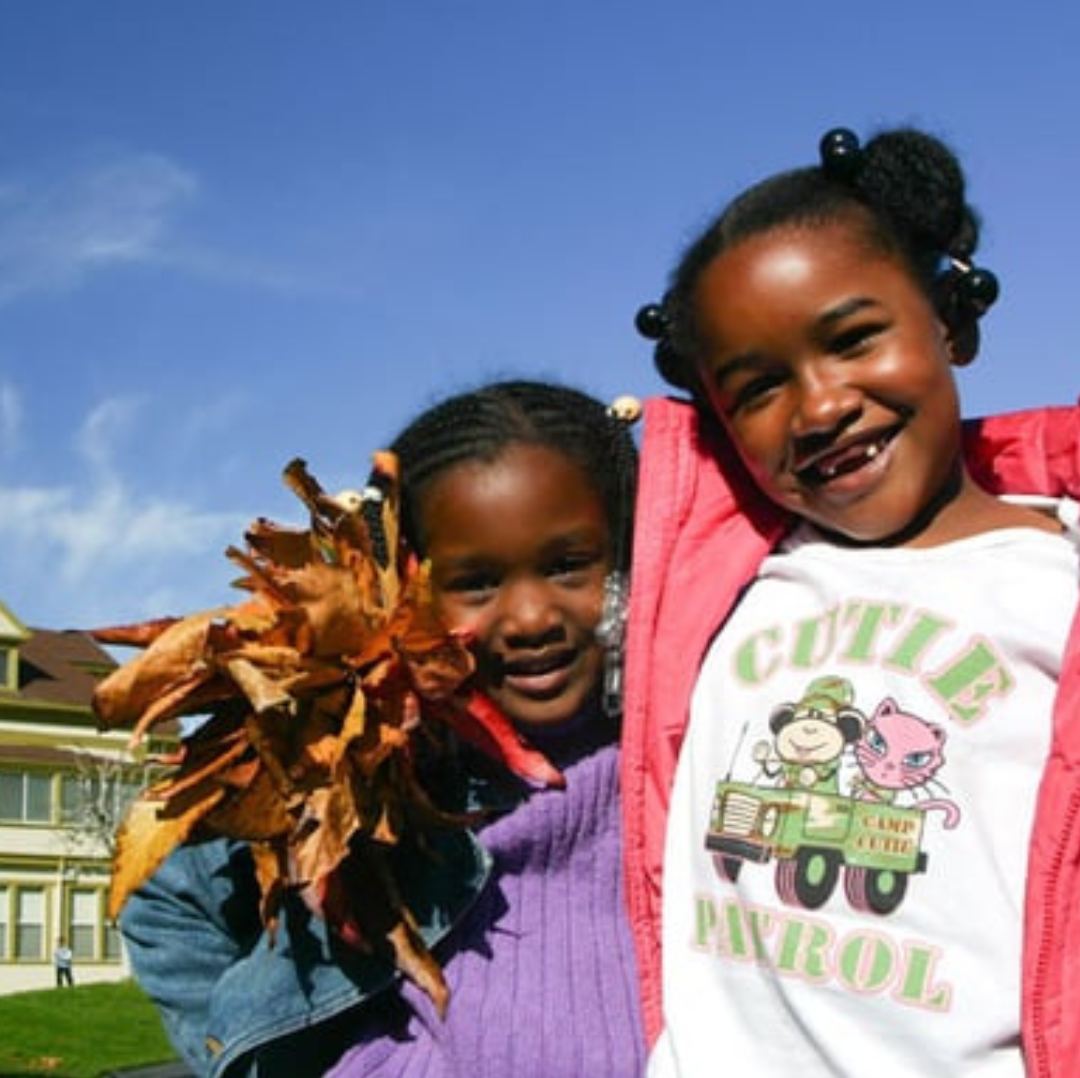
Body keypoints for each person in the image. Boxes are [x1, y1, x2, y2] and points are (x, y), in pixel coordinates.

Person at [622, 125, 1080, 1076]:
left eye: (853, 339)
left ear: (952, 319)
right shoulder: (720, 591)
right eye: (758, 388)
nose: (820, 404)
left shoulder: (1058, 580)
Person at [119, 380, 646, 1078]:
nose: (529, 618)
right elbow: (170, 895)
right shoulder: (375, 760)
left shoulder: (696, 739)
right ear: (402, 590)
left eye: (567, 565)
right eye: (477, 583)